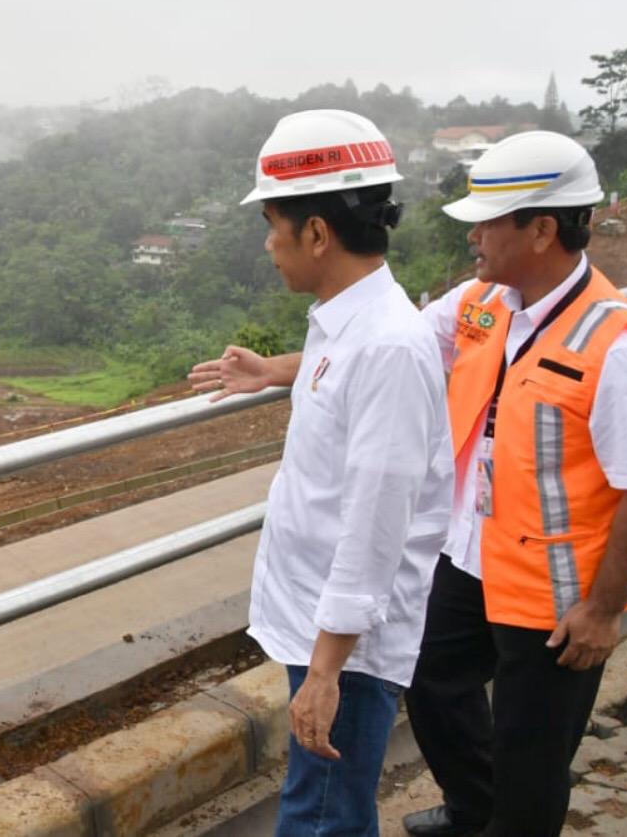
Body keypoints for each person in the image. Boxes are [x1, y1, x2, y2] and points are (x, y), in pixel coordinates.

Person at [399, 131, 627, 837]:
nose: (474, 238)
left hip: (559, 600)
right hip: (475, 558)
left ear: (543, 228)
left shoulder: (620, 347)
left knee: (531, 762)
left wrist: (605, 609)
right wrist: (278, 370)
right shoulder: (484, 301)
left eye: (488, 223)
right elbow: (393, 348)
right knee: (431, 684)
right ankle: (473, 811)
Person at [189, 109, 454, 836]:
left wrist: (329, 669)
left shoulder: (390, 346)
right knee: (323, 804)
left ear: (316, 232)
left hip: (349, 642)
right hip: (325, 625)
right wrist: (272, 369)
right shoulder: (347, 321)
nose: (270, 244)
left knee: (322, 816)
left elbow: (375, 521)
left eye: (274, 225)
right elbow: (345, 375)